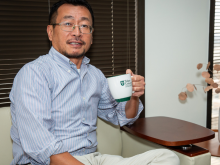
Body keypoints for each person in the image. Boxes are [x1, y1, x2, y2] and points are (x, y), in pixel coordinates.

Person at [9, 0, 180, 165]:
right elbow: (43, 148)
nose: (77, 32)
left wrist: (133, 96)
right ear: (50, 32)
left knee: (167, 158)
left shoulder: (95, 76)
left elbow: (121, 117)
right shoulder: (34, 73)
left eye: (84, 26)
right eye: (68, 24)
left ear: (91, 35)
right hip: (50, 162)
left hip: (93, 159)